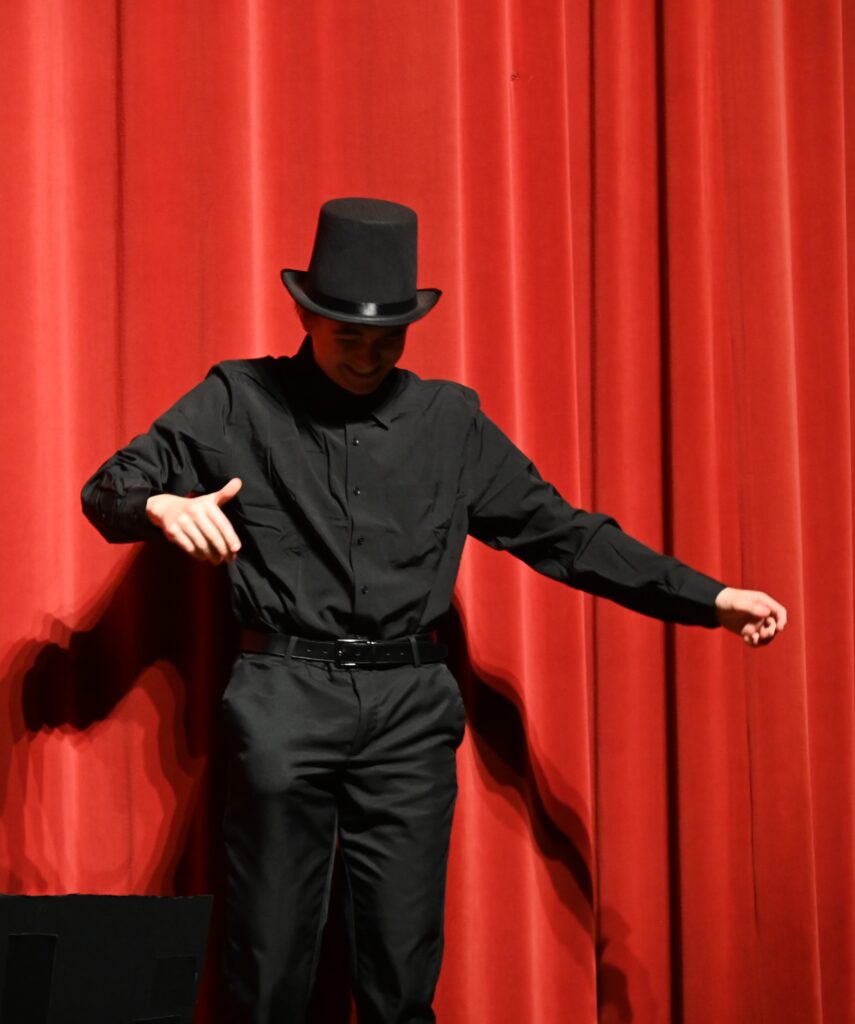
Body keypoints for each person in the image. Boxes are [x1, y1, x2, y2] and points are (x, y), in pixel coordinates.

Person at [81, 197, 787, 1024]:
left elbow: (564, 535)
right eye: (347, 337)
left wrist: (709, 597)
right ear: (305, 316)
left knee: (401, 972)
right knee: (266, 968)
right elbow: (108, 488)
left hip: (408, 708)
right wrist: (159, 504)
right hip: (283, 696)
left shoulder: (449, 421)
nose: (367, 356)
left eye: (387, 339)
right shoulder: (237, 400)